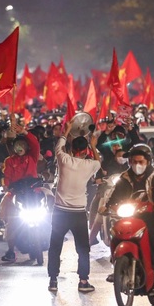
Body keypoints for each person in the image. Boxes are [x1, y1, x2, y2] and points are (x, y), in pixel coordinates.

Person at [105, 144, 154, 281]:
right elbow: (114, 196)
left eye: (140, 162)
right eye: (134, 162)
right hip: (130, 214)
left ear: (147, 161)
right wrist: (107, 206)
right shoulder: (125, 177)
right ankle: (116, 265)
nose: (137, 165)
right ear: (130, 162)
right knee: (116, 232)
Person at [47, 123, 101, 292]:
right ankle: (83, 281)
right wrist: (92, 144)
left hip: (60, 212)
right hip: (78, 214)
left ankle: (53, 281)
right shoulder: (89, 165)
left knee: (55, 247)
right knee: (83, 249)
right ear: (85, 151)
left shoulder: (64, 160)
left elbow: (59, 146)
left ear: (72, 149)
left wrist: (67, 130)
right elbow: (99, 161)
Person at [0, 118, 40, 263]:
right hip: (16, 194)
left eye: (22, 144)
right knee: (11, 221)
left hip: (34, 193)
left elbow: (35, 143)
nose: (20, 147)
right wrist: (7, 186)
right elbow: (7, 176)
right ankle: (10, 251)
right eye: (17, 145)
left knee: (51, 201)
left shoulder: (32, 157)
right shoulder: (9, 161)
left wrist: (24, 132)